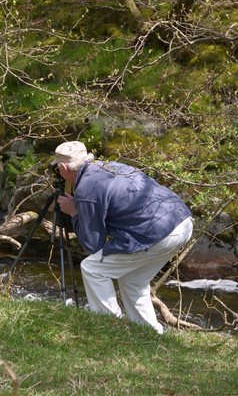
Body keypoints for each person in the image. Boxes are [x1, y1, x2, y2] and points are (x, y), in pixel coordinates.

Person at [53, 141, 193, 334]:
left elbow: (93, 244)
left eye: (57, 167)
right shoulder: (110, 166)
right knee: (132, 280)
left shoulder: (86, 189)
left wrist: (75, 212)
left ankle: (112, 329)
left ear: (64, 167)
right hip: (182, 222)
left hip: (157, 233)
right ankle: (150, 333)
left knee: (93, 268)